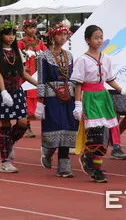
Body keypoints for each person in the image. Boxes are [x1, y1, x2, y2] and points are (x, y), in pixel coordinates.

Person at [71, 25, 124, 183]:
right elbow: (78, 84)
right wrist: (78, 104)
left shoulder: (106, 58)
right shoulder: (82, 60)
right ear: (87, 40)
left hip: (103, 97)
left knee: (105, 134)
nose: (99, 40)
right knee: (95, 135)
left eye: (101, 37)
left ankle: (96, 166)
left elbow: (110, 79)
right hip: (89, 98)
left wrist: (122, 89)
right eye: (96, 37)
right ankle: (93, 165)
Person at [0, 20, 38, 173]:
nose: (11, 37)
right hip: (3, 90)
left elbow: (22, 73)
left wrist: (37, 83)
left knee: (22, 122)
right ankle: (5, 161)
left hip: (17, 89)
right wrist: (3, 92)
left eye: (13, 34)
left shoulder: (17, 52)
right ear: (1, 36)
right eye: (8, 34)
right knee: (6, 125)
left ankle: (9, 144)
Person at [35, 23, 78, 178]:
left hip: (69, 95)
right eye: (60, 35)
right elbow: (41, 80)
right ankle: (48, 151)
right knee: (54, 126)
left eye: (65, 35)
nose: (63, 38)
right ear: (53, 37)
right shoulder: (43, 56)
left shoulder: (69, 55)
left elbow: (73, 76)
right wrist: (40, 101)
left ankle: (64, 165)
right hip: (51, 96)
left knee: (68, 126)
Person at [18, 19, 47, 138]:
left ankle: (44, 128)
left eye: (34, 27)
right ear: (24, 29)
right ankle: (27, 127)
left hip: (37, 74)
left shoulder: (39, 42)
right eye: (29, 27)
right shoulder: (21, 43)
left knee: (39, 99)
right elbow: (18, 57)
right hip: (26, 75)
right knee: (26, 101)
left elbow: (46, 54)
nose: (32, 30)